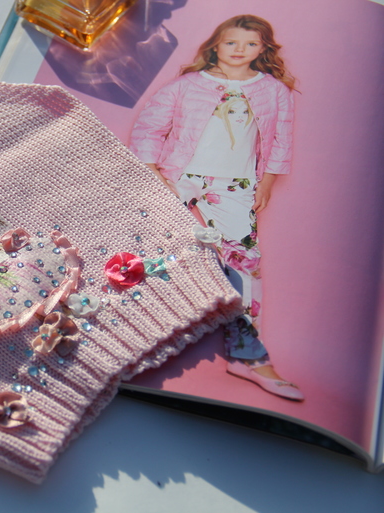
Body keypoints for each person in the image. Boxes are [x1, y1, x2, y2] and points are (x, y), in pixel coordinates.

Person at [129, 14, 303, 400]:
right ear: (215, 45)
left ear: (263, 48)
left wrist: (267, 182)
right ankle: (132, 334)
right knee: (149, 250)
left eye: (251, 43)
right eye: (231, 42)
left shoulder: (274, 91)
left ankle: (247, 355)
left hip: (236, 185)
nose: (240, 50)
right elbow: (149, 128)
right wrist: (154, 174)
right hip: (179, 177)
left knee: (244, 264)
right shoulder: (187, 85)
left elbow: (281, 140)